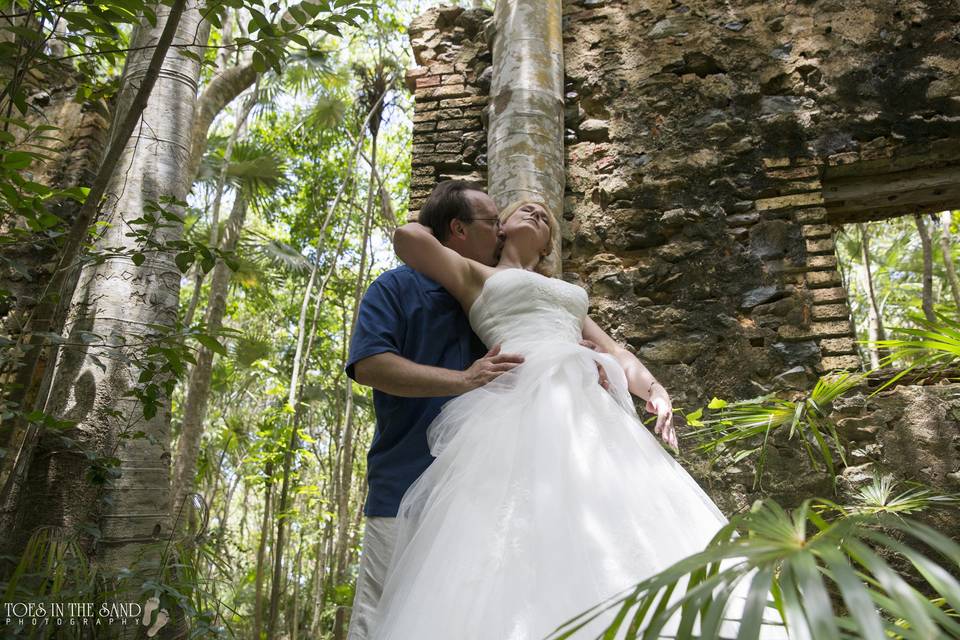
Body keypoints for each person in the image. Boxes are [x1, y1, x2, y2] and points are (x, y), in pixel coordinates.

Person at [368, 201, 787, 639]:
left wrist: (656, 390)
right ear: (500, 231)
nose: (537, 212)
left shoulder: (565, 292)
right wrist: (457, 220)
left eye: (546, 215)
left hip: (588, 405)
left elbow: (616, 352)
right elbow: (407, 237)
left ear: (550, 243)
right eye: (521, 209)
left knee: (622, 514)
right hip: (520, 400)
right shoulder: (474, 275)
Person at [343, 180, 527, 640]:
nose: (503, 233)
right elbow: (369, 365)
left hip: (488, 491)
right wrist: (465, 380)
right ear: (457, 229)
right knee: (380, 616)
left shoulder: (498, 300)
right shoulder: (395, 287)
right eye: (493, 223)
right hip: (404, 484)